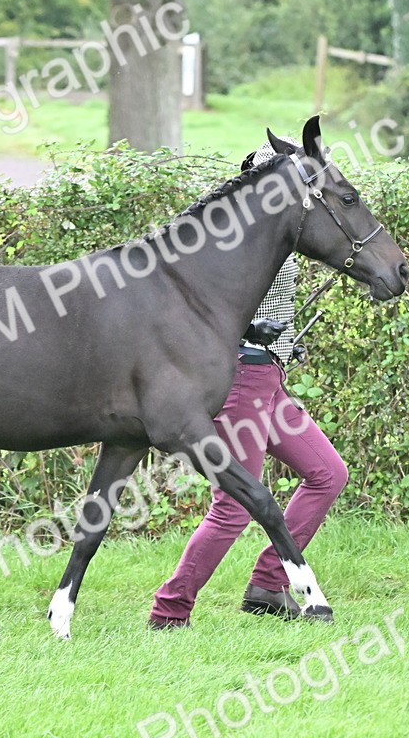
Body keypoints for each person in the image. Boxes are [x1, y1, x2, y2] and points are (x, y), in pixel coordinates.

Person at [148, 135, 348, 628]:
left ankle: (268, 584)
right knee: (234, 506)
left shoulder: (284, 234)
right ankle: (170, 609)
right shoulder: (236, 240)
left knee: (328, 474)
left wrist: (281, 344)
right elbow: (208, 308)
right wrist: (250, 334)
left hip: (268, 378)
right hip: (240, 379)